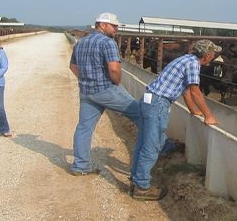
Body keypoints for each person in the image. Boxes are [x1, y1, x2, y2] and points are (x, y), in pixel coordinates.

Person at [129, 39, 221, 201]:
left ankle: (136, 177)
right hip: (158, 103)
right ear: (207, 56)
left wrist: (194, 110)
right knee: (153, 145)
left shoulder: (184, 59)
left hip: (148, 99)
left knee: (143, 142)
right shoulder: (193, 64)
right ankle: (142, 187)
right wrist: (208, 115)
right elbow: (195, 91)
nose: (213, 56)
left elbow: (185, 90)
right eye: (213, 54)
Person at [69, 12, 141, 176]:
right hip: (106, 89)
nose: (116, 29)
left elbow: (73, 67)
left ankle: (80, 166)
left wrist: (87, 79)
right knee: (142, 114)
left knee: (84, 128)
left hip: (87, 91)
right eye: (114, 26)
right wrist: (115, 83)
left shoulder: (81, 42)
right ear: (102, 25)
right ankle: (163, 147)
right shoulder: (108, 43)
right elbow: (114, 68)